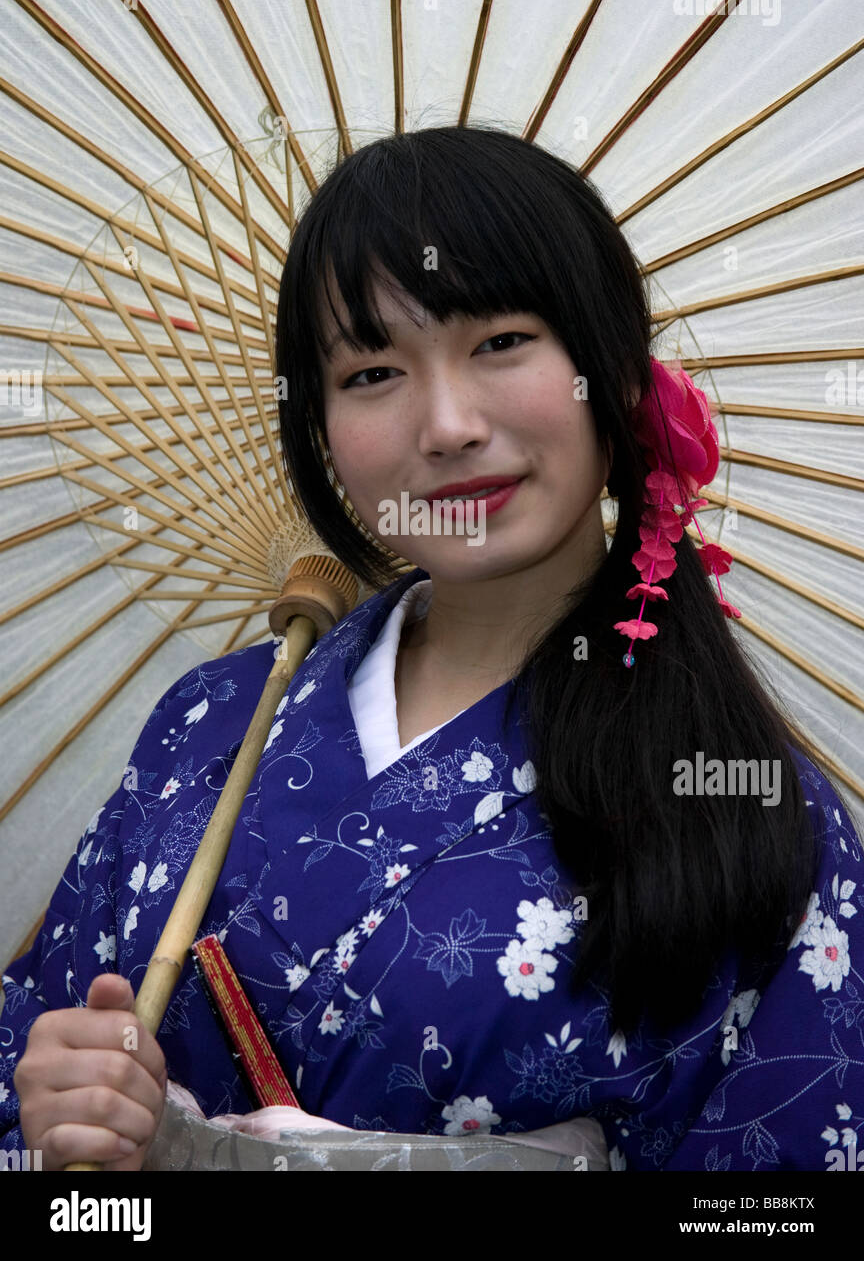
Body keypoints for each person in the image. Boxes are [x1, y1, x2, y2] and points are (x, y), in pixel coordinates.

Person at [2, 125, 862, 1172]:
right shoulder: (209, 721)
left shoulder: (759, 816)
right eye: (372, 371)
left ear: (607, 363)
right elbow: (35, 1062)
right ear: (318, 428)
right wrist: (64, 1126)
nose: (448, 424)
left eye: (501, 342)